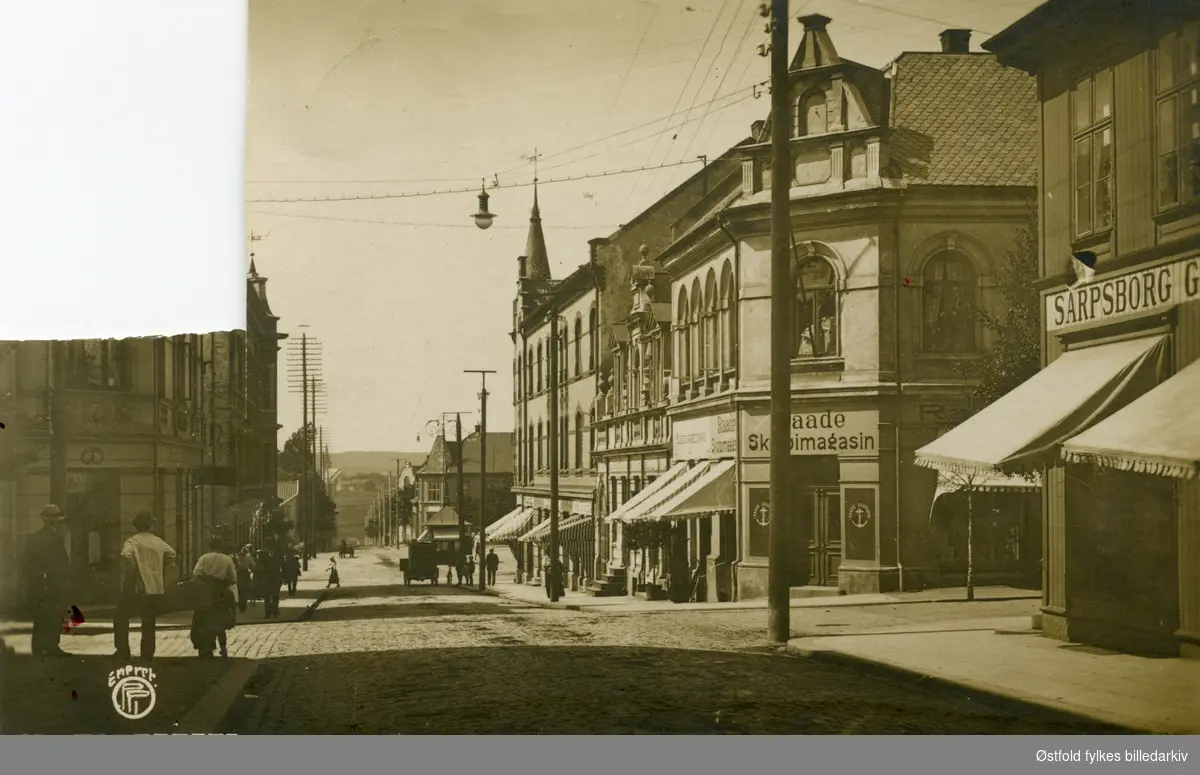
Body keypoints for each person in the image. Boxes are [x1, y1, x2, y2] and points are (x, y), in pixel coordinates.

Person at [114, 511, 176, 660]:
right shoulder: (158, 541)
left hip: (136, 587)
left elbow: (125, 555)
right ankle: (147, 653)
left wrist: (135, 568)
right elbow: (171, 554)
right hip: (154, 588)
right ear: (150, 525)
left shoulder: (132, 541)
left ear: (136, 525)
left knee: (121, 618)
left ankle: (122, 650)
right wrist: (157, 567)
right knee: (149, 621)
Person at [20, 505, 72, 657]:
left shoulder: (33, 538)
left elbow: (25, 564)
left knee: (42, 618)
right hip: (52, 586)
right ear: (53, 522)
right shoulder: (54, 538)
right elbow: (63, 564)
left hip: (40, 586)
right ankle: (51, 648)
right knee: (53, 617)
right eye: (57, 519)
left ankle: (40, 649)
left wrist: (35, 579)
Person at [191, 538, 237, 658]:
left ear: (209, 547)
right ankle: (223, 648)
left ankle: (205, 648)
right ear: (221, 547)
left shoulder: (203, 558)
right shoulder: (227, 559)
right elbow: (232, 578)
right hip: (220, 593)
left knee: (204, 621)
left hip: (206, 593)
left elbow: (196, 574)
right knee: (220, 621)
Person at [257, 546, 284, 618]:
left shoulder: (277, 556)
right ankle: (271, 612)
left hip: (271, 581)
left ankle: (271, 612)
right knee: (271, 597)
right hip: (270, 581)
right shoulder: (267, 558)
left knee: (271, 598)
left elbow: (280, 567)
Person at [235, 546, 255, 612]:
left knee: (239, 589)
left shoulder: (236, 557)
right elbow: (253, 565)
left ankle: (241, 605)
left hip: (238, 573)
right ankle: (243, 606)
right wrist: (251, 571)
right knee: (245, 589)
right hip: (245, 573)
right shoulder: (248, 556)